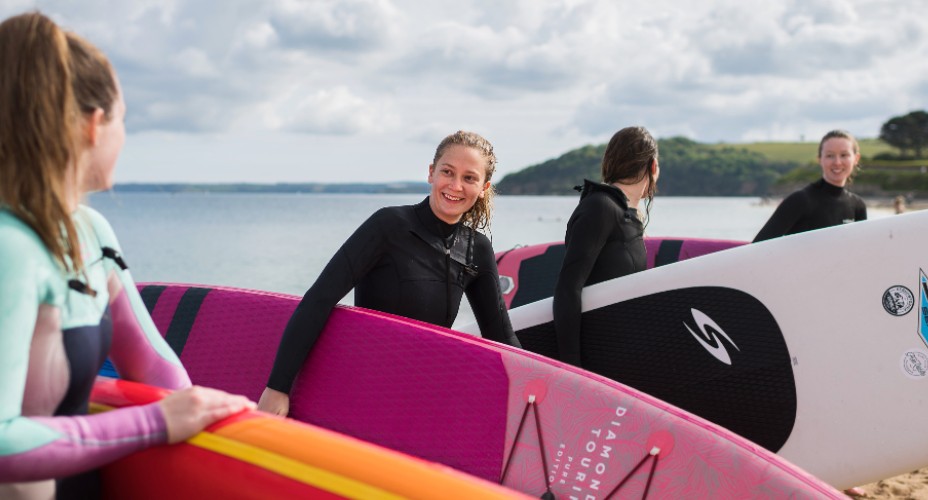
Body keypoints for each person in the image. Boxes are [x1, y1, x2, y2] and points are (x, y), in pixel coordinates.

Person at [0, 12, 254, 499]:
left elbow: (156, 367)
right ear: (94, 126)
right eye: (124, 120)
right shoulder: (10, 248)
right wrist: (156, 423)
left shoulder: (91, 231)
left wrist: (228, 427)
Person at [258, 131, 520, 416]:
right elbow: (320, 298)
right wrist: (278, 387)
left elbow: (501, 335)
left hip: (424, 396)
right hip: (367, 386)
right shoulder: (389, 226)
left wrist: (548, 384)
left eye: (469, 178)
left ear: (483, 187)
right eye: (448, 172)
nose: (455, 186)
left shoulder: (476, 249)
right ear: (431, 173)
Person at [552, 126, 659, 367]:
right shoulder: (600, 207)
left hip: (623, 354)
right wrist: (571, 367)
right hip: (598, 358)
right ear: (652, 166)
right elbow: (567, 289)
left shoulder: (626, 215)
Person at [753, 130, 867, 242]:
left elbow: (861, 251)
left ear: (856, 159)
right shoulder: (800, 201)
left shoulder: (858, 206)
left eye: (844, 155)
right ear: (820, 159)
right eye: (830, 155)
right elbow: (756, 248)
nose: (837, 162)